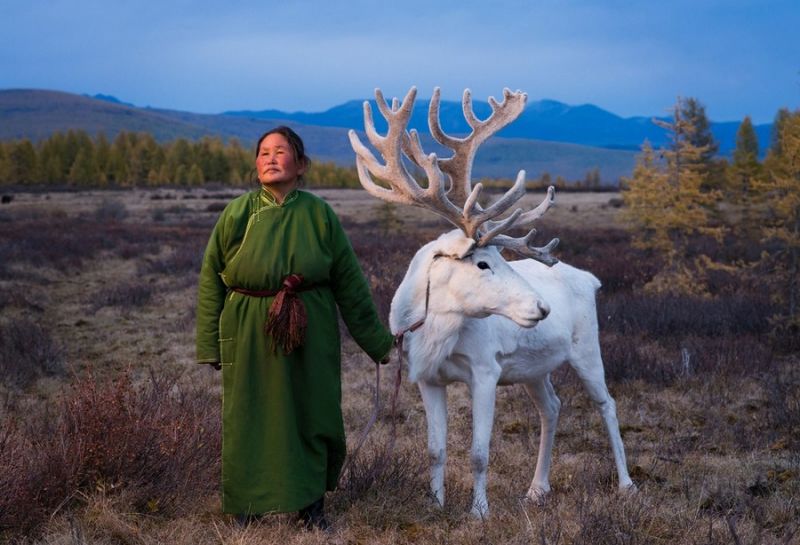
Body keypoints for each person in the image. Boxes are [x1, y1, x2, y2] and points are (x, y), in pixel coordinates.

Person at [195, 126, 393, 530]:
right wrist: (212, 345)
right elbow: (211, 279)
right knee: (249, 415)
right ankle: (246, 509)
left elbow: (350, 283)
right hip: (250, 329)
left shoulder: (319, 214)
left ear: (300, 164)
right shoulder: (237, 213)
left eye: (280, 151)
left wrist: (378, 342)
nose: (269, 158)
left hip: (310, 328)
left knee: (313, 412)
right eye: (263, 152)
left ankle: (310, 508)